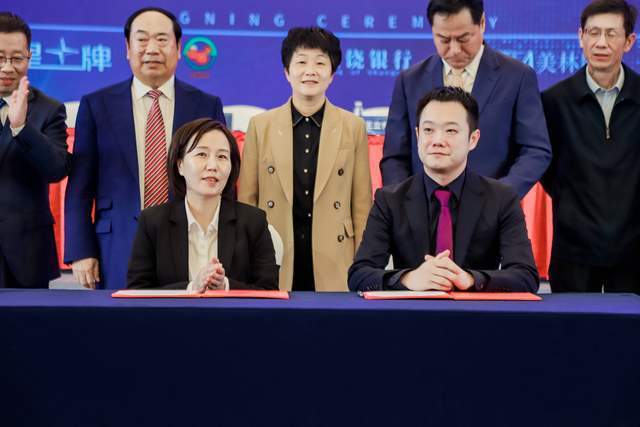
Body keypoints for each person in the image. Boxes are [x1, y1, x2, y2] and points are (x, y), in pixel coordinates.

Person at [64, 7, 226, 289]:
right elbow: (80, 187)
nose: (152, 49)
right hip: (116, 245)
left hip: (191, 244)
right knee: (121, 317)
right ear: (128, 48)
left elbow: (223, 182)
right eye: (142, 39)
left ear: (178, 48)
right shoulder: (97, 105)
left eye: (162, 39)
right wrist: (81, 250)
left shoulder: (205, 105)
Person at [349, 87, 538, 293]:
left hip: (477, 311)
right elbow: (359, 275)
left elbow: (526, 276)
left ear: (473, 139)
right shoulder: (390, 200)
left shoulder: (501, 199)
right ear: (417, 135)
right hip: (411, 311)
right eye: (428, 130)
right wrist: (408, 278)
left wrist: (472, 279)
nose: (437, 141)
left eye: (451, 131)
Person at [238, 27, 371, 291]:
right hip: (275, 247)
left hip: (334, 252)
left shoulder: (353, 126)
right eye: (301, 62)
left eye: (320, 63)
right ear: (287, 72)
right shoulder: (260, 126)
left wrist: (363, 265)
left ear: (332, 74)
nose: (310, 71)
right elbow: (247, 200)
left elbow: (361, 204)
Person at [381, 0, 551, 198]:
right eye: (444, 39)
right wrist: (405, 202)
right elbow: (395, 156)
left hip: (490, 207)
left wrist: (500, 197)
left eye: (463, 38)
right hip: (422, 207)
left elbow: (535, 150)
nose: (454, 50)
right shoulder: (410, 80)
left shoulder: (517, 77)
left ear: (482, 23)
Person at [541, 0, 640, 293]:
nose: (601, 43)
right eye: (593, 32)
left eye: (611, 34)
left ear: (629, 41)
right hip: (573, 252)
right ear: (580, 37)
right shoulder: (554, 101)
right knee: (574, 323)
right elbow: (546, 168)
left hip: (635, 251)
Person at [127, 119, 278, 291]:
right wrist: (191, 288)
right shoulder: (152, 222)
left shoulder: (253, 221)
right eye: (202, 154)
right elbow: (137, 291)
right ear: (180, 165)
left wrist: (225, 286)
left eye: (222, 156)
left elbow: (269, 290)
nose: (212, 166)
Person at [0, 12, 70, 288]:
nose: (7, 67)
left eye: (17, 59)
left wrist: (21, 127)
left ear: (29, 57)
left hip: (27, 252)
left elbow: (57, 169)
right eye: (0, 58)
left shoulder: (49, 109)